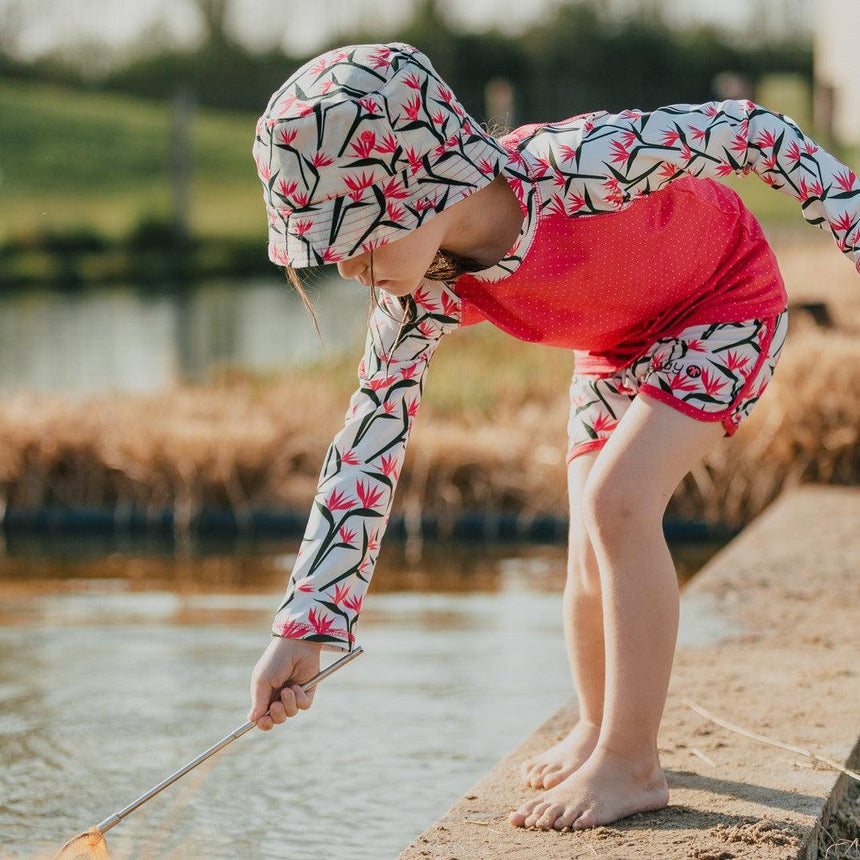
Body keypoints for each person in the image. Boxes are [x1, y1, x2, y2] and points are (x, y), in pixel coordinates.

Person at [246, 42, 859, 832]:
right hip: (615, 345)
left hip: (724, 302)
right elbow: (368, 443)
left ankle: (633, 762)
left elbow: (756, 132)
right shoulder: (420, 294)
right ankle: (599, 729)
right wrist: (308, 627)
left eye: (360, 239)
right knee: (587, 539)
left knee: (618, 503)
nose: (350, 269)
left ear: (426, 186)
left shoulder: (577, 166)